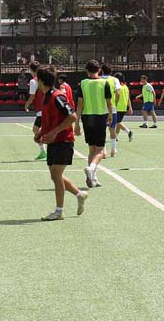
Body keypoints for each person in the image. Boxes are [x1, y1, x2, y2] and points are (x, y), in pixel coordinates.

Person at [34, 67, 89, 221]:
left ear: (41, 81)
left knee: (56, 175)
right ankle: (79, 194)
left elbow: (72, 116)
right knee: (55, 175)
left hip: (64, 141)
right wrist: (41, 133)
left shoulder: (57, 96)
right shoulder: (46, 97)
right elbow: (51, 120)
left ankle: (59, 211)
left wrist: (54, 132)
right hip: (54, 141)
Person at [75, 60, 113, 188]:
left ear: (87, 71)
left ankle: (93, 177)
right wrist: (110, 114)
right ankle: (91, 168)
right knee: (100, 150)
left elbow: (80, 104)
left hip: (87, 117)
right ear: (99, 70)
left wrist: (77, 123)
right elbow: (109, 102)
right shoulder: (104, 83)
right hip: (100, 116)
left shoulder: (83, 83)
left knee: (91, 149)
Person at [24, 62, 47, 160]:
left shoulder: (33, 81)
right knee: (39, 130)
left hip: (41, 110)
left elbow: (32, 96)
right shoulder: (44, 79)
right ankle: (44, 151)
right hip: (46, 108)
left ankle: (44, 151)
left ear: (31, 70)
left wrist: (26, 104)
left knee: (36, 130)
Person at [108, 72, 133, 156]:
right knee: (117, 123)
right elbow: (128, 98)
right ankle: (116, 137)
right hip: (123, 108)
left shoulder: (118, 88)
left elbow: (116, 96)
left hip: (117, 107)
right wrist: (130, 107)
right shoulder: (126, 87)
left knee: (117, 123)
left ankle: (128, 131)